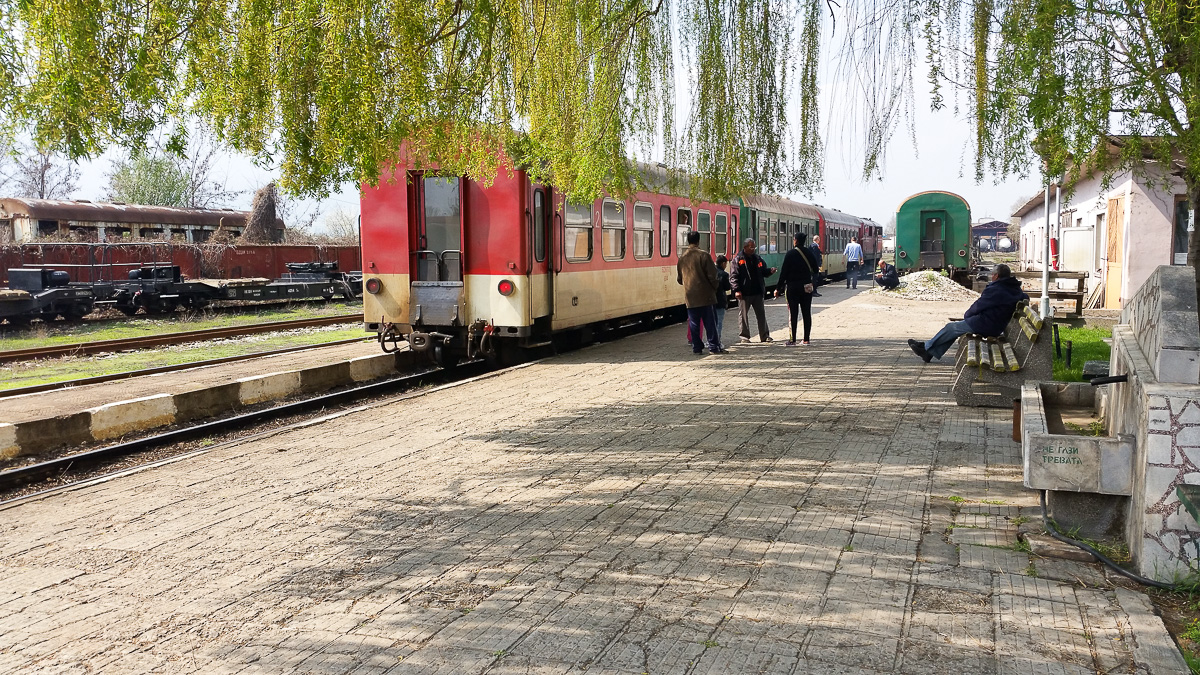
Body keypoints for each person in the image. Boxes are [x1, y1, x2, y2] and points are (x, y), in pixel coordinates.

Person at [908, 263, 1028, 362]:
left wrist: (968, 316)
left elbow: (978, 306)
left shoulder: (997, 289)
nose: (991, 277)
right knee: (954, 329)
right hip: (996, 322)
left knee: (951, 328)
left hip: (988, 324)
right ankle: (928, 350)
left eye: (992, 274)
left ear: (996, 276)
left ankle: (926, 349)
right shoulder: (1013, 288)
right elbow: (1024, 296)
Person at [677, 230, 723, 355]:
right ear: (698, 240)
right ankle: (713, 347)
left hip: (690, 297)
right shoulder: (704, 255)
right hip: (706, 295)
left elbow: (679, 279)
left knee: (694, 323)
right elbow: (713, 276)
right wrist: (714, 288)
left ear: (688, 241)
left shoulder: (682, 258)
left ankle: (697, 348)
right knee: (710, 323)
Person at [730, 238, 777, 343]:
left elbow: (763, 271)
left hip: (757, 292)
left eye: (754, 247)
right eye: (751, 247)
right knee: (743, 316)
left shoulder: (757, 258)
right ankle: (744, 336)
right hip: (744, 293)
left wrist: (770, 271)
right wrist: (736, 290)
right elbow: (733, 276)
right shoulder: (738, 259)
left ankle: (764, 336)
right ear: (745, 247)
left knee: (761, 315)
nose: (753, 249)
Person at [777, 232, 819, 345]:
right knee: (806, 313)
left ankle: (792, 339)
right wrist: (812, 282)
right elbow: (816, 270)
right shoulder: (809, 253)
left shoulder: (790, 254)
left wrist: (778, 288)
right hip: (807, 286)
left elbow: (784, 273)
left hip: (793, 287)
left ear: (795, 240)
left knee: (793, 313)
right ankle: (806, 339)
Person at [714, 254, 732, 350]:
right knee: (719, 322)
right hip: (720, 300)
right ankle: (717, 341)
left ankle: (711, 341)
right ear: (723, 263)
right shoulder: (724, 274)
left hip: (711, 300)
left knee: (712, 322)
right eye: (726, 264)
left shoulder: (711, 271)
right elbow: (727, 287)